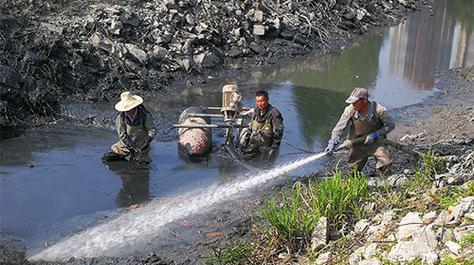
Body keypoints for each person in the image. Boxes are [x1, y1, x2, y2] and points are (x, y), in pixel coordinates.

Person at [325, 87, 395, 176]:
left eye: (355, 102)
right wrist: (333, 141)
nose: (353, 105)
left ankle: (387, 182)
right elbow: (339, 128)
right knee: (353, 169)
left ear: (364, 100)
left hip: (376, 141)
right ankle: (355, 184)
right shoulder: (349, 110)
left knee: (385, 162)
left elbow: (390, 125)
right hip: (357, 142)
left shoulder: (378, 110)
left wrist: (376, 135)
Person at [102, 91, 157, 164]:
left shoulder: (144, 115)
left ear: (134, 106)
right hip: (125, 144)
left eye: (130, 108)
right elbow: (122, 134)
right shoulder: (121, 117)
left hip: (141, 145)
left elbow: (152, 130)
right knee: (107, 158)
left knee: (141, 166)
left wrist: (146, 142)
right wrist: (130, 147)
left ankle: (139, 157)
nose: (128, 110)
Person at [240, 90, 284, 167]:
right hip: (254, 143)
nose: (260, 103)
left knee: (265, 167)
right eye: (258, 101)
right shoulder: (256, 111)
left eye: (262, 101)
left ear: (267, 100)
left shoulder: (274, 114)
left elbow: (279, 133)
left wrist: (273, 149)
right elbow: (250, 129)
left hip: (267, 147)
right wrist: (245, 143)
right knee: (244, 160)